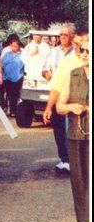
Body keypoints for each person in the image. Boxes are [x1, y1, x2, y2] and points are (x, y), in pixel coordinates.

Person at [56, 39, 89, 222]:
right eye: (82, 50)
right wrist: (70, 106)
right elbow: (59, 106)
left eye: (88, 50)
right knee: (81, 188)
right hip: (77, 136)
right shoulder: (75, 74)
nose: (84, 54)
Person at [43, 26, 84, 172]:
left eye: (65, 35)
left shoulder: (85, 57)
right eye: (60, 35)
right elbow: (56, 85)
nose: (63, 37)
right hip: (64, 103)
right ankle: (66, 160)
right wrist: (49, 107)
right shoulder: (64, 59)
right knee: (63, 132)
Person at [0, 34, 25, 117]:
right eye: (13, 46)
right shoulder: (7, 54)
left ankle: (13, 111)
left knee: (15, 94)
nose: (14, 47)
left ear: (19, 46)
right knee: (9, 94)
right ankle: (10, 109)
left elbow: (25, 65)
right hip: (7, 77)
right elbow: (2, 64)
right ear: (10, 46)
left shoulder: (22, 54)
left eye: (16, 46)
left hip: (18, 77)